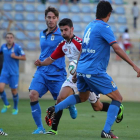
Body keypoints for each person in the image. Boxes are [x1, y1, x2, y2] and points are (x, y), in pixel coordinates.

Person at [46, 1, 140, 139]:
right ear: (109, 14)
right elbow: (117, 48)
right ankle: (106, 131)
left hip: (83, 69)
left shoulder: (89, 26)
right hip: (94, 71)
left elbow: (82, 50)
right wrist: (134, 65)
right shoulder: (104, 27)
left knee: (83, 97)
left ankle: (55, 108)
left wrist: (78, 71)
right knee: (118, 98)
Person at [35, 18, 124, 135]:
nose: (63, 33)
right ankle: (53, 130)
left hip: (86, 75)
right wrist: (41, 63)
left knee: (97, 107)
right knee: (60, 98)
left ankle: (118, 108)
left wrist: (78, 68)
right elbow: (51, 59)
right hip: (74, 76)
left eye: (66, 30)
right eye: (61, 30)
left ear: (72, 29)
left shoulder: (79, 43)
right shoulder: (63, 45)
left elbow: (89, 55)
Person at [29, 6, 69, 134]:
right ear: (45, 18)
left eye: (53, 18)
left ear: (57, 19)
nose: (51, 20)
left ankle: (71, 104)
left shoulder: (62, 34)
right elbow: (44, 52)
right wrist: (39, 61)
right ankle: (40, 128)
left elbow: (73, 42)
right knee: (32, 94)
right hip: (42, 71)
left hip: (56, 73)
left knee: (61, 101)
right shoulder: (42, 33)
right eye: (49, 17)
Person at [0, 32, 26, 115]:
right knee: (0, 88)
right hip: (5, 71)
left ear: (13, 39)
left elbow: (24, 57)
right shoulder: (3, 46)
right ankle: (6, 104)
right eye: (7, 37)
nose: (9, 39)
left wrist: (16, 57)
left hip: (14, 72)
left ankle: (15, 107)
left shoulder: (17, 47)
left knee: (13, 91)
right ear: (6, 39)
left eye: (11, 37)